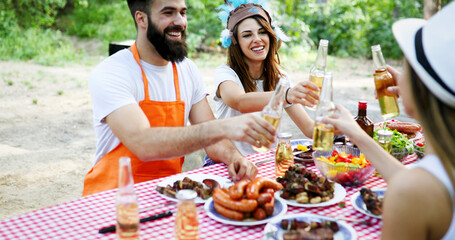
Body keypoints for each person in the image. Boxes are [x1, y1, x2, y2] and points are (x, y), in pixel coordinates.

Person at [82, 0, 277, 196]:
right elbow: (143, 143)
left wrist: (234, 156)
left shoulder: (187, 69)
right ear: (141, 18)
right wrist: (224, 127)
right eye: (168, 13)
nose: (180, 21)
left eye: (183, 13)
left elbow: (213, 140)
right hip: (110, 198)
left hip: (165, 194)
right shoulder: (112, 72)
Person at [323, 3, 455, 239]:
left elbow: (410, 188)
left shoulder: (411, 194)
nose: (396, 76)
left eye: (406, 67)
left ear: (421, 89)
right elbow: (411, 180)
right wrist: (357, 134)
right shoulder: (435, 173)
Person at [205, 0, 318, 162]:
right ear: (235, 42)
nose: (257, 39)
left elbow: (309, 128)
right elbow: (239, 102)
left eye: (262, 32)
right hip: (227, 162)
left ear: (271, 35)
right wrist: (286, 95)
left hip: (265, 161)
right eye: (247, 35)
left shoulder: (280, 78)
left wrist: (347, 127)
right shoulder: (226, 74)